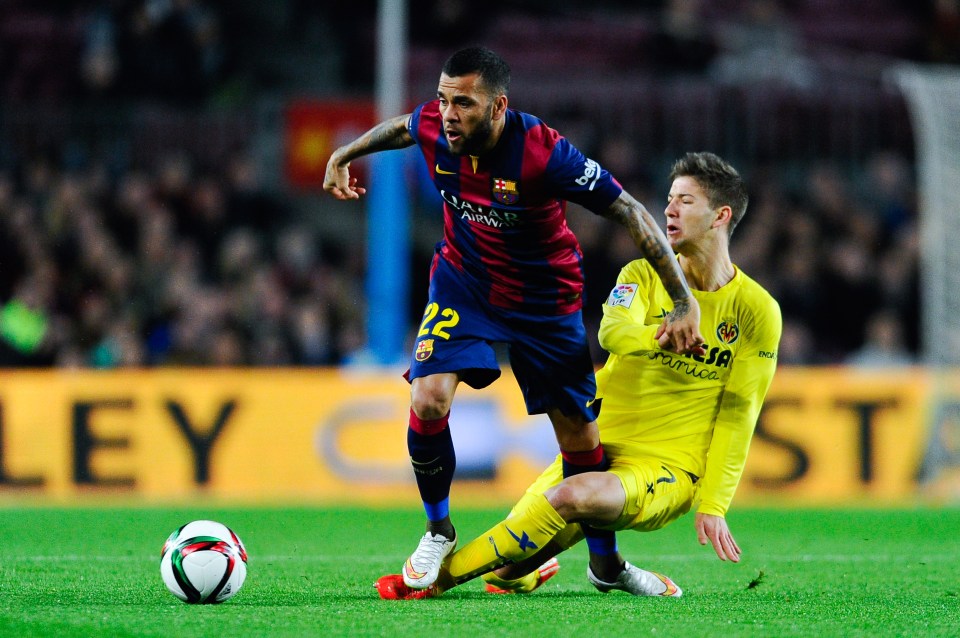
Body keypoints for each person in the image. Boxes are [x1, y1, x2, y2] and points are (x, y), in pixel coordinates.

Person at [324, 46, 704, 591]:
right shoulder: (436, 125)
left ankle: (606, 567)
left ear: (499, 106)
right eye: (442, 100)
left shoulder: (545, 153)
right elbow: (402, 128)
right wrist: (347, 152)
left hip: (544, 302)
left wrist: (683, 299)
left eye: (464, 104)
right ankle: (439, 531)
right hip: (465, 284)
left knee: (579, 439)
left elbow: (630, 211)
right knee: (427, 396)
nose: (448, 115)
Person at [374, 151, 782, 599]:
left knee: (568, 499)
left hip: (666, 468)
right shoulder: (644, 274)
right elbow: (612, 331)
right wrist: (657, 337)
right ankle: (602, 570)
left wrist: (715, 503)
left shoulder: (757, 310)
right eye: (669, 199)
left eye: (685, 201)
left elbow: (740, 411)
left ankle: (431, 582)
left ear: (721, 216)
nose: (668, 210)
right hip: (595, 449)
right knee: (507, 571)